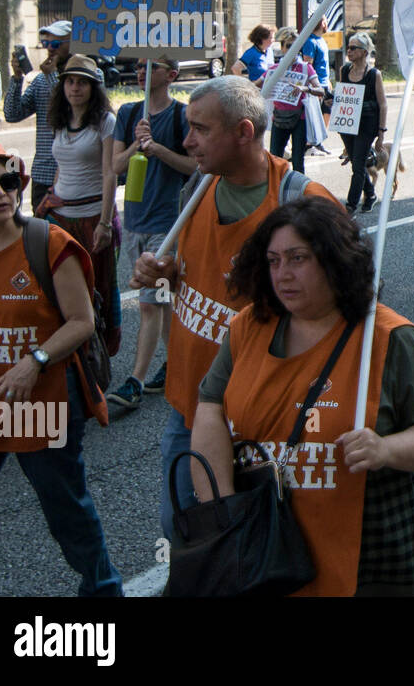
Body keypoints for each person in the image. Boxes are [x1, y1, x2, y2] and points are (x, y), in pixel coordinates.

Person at [190, 198, 414, 595]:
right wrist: (223, 509)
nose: (283, 274)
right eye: (274, 260)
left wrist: (386, 449)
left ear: (334, 261)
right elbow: (210, 408)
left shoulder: (388, 337)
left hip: (374, 560)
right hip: (270, 553)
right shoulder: (248, 328)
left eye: (298, 258)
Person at [129, 76, 336, 540]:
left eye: (200, 129)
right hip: (191, 407)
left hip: (265, 422)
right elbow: (193, 272)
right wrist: (167, 276)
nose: (186, 141)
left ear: (244, 132)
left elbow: (351, 305)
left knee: (255, 545)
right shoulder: (197, 190)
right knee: (184, 532)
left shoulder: (302, 202)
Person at [0, 137, 120, 595]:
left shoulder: (48, 242)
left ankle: (104, 592)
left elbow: (81, 322)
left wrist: (33, 361)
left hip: (45, 402)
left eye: (8, 182)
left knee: (67, 512)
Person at [106, 57, 195, 408]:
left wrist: (158, 148)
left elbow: (195, 168)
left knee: (149, 303)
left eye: (152, 66)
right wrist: (136, 144)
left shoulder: (181, 116)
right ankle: (179, 361)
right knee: (160, 302)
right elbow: (115, 166)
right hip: (135, 222)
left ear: (171, 75)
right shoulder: (128, 114)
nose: (142, 71)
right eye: (140, 66)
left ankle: (135, 382)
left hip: (167, 225)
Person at [40, 54, 121, 357]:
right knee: (59, 291)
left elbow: (109, 171)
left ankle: (94, 356)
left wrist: (104, 222)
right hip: (59, 218)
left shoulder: (105, 121)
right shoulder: (60, 120)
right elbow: (62, 165)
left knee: (95, 291)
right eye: (70, 81)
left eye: (83, 83)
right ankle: (66, 352)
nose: (75, 88)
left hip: (92, 218)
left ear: (93, 87)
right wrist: (52, 194)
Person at [4, 19, 72, 212]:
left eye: (56, 44)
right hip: (43, 174)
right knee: (43, 236)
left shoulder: (88, 77)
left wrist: (51, 76)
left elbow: (70, 110)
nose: (50, 49)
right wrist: (17, 78)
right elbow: (12, 114)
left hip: (72, 174)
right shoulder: (41, 79)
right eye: (46, 44)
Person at [338, 32, 387, 215]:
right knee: (357, 163)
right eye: (348, 47)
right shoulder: (344, 70)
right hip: (348, 125)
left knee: (358, 165)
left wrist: (381, 134)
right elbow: (343, 97)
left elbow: (383, 105)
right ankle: (371, 194)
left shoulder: (374, 74)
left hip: (366, 127)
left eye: (353, 48)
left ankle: (350, 206)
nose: (349, 51)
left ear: (364, 52)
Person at [268, 43, 326, 173]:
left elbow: (321, 90)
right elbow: (259, 86)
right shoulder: (275, 68)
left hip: (299, 118)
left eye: (294, 45)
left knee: (298, 160)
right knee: (275, 159)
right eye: (288, 45)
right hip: (278, 118)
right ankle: (276, 189)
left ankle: (298, 191)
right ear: (282, 48)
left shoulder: (305, 68)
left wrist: (306, 88)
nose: (291, 49)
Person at [303, 19, 333, 155]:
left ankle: (320, 140)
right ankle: (310, 144)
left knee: (327, 111)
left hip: (325, 82)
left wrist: (329, 81)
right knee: (315, 115)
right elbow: (307, 64)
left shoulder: (321, 40)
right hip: (317, 84)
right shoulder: (310, 41)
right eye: (326, 21)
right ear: (322, 23)